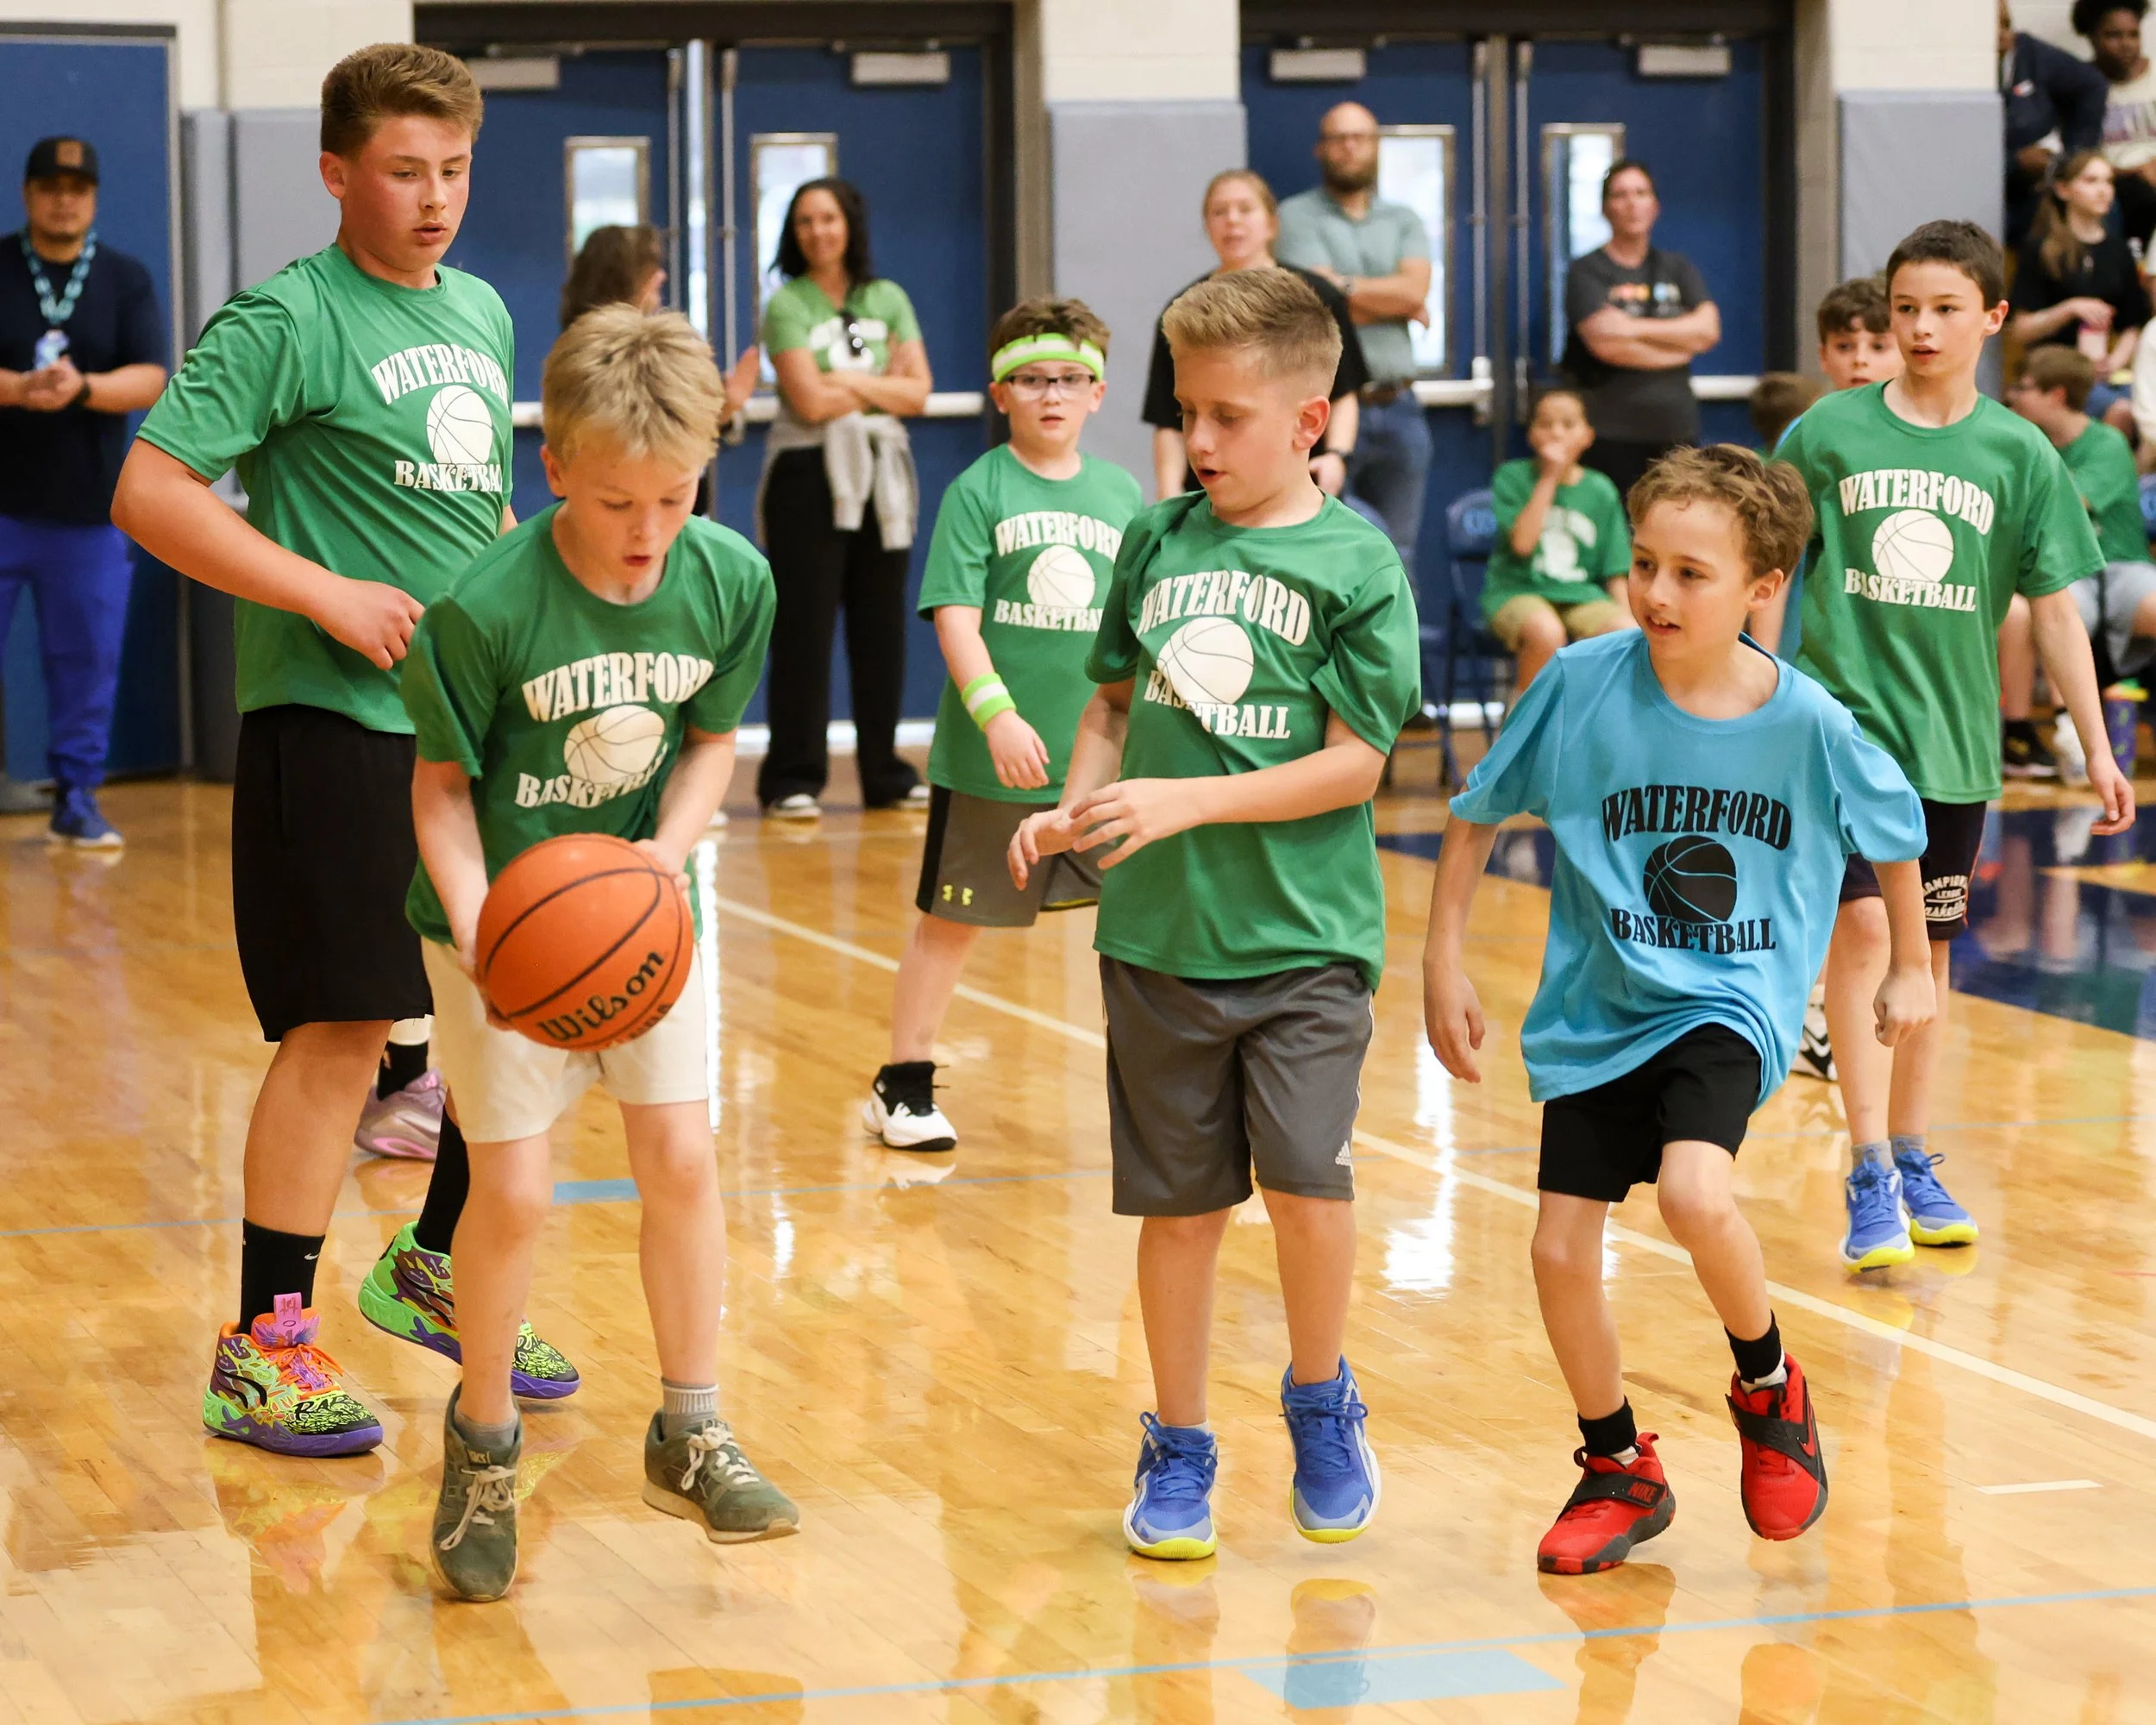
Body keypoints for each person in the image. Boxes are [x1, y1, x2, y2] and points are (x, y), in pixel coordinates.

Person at [111, 44, 579, 1455]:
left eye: (454, 170)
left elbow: (463, 523)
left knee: (523, 1008)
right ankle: (263, 1343)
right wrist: (317, 590)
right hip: (332, 728)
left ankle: (432, 1262)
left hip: (463, 732)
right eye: (403, 171)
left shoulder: (484, 309)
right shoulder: (287, 319)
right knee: (346, 1030)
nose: (434, 199)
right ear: (335, 172)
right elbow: (147, 489)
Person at [1424, 443, 1934, 1574]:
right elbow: (1476, 811)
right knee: (1559, 1250)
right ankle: (1618, 1465)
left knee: (1698, 1191)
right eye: (1646, 564)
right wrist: (1442, 961)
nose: (1656, 592)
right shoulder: (1581, 679)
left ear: (1765, 589)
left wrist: (1910, 961)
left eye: (1690, 574)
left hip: (1729, 1000)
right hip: (1599, 1000)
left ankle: (1770, 1389)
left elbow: (1897, 831)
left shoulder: (1805, 722)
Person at [1007, 268, 1420, 1559]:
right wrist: (1078, 810)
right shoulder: (1156, 538)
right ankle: (1179, 1440)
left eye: (1230, 416)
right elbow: (1112, 709)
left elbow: (1360, 763)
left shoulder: (1357, 563)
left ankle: (1318, 1396)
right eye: (1189, 410)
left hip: (1306, 940)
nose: (1199, 440)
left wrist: (1185, 804)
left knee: (1305, 1184)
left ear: (1309, 421)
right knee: (1179, 1210)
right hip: (1161, 942)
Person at [404, 305, 793, 1600]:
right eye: (618, 499)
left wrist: (661, 863)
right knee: (509, 1195)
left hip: (637, 916)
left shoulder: (730, 578)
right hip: (497, 927)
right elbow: (444, 793)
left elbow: (708, 744)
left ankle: (691, 1426)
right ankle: (484, 1437)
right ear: (554, 465)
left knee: (681, 1157)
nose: (646, 534)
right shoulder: (481, 606)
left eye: (674, 498)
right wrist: (480, 934)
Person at [1774, 220, 2135, 1272]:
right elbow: (1766, 562)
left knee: (1926, 957)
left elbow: (2058, 611)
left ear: (1992, 318)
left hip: (1954, 744)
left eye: (1943, 309)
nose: (1921, 327)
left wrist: (2094, 741)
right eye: (1904, 309)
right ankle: (1867, 1167)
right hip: (1844, 734)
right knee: (1859, 940)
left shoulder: (2017, 451)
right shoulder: (1827, 433)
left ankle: (1913, 1150)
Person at [864, 298, 1140, 1152]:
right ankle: (902, 1083)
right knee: (952, 921)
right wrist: (997, 715)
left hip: (1102, 760)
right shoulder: (978, 491)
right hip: (996, 758)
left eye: (1068, 378)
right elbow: (954, 615)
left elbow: (1133, 625)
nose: (1051, 393)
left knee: (1136, 922)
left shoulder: (1123, 492)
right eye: (1031, 379)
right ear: (999, 393)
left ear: (1097, 392)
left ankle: (1154, 1087)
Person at [0, 135, 168, 847]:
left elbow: (154, 377)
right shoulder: (0, 266)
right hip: (3, 506)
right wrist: (16, 389)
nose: (63, 198)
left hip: (90, 514)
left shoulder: (124, 278)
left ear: (93, 198)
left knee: (86, 663)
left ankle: (76, 800)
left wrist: (82, 389)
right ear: (29, 193)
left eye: (76, 186)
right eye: (49, 185)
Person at [754, 176, 931, 819]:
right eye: (804, 221)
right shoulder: (788, 304)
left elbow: (921, 390)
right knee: (804, 629)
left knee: (881, 627)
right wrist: (879, 383)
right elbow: (807, 401)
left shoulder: (887, 297)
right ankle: (793, 777)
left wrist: (845, 382)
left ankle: (884, 771)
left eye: (827, 218)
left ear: (850, 223)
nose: (817, 232)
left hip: (883, 472)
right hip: (808, 475)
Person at [1274, 102, 1435, 568]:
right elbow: (1314, 304)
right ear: (1320, 148)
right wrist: (1396, 304)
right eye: (1338, 138)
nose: (1349, 147)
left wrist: (1342, 286)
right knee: (1323, 547)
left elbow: (1416, 289)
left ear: (1376, 146)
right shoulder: (1295, 217)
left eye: (1359, 137)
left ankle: (1395, 645)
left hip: (1400, 405)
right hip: (1328, 408)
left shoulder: (1403, 219)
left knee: (1400, 553)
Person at [1144, 169, 1365, 503]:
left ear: (1271, 224)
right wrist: (1168, 490)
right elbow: (1167, 418)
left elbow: (1343, 391)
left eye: (1245, 209)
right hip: (1213, 491)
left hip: (1303, 481)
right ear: (1207, 227)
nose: (1232, 221)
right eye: (1219, 212)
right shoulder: (1183, 311)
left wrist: (1337, 455)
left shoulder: (1316, 297)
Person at [1561, 160, 1720, 499]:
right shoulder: (1587, 271)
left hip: (1676, 430)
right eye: (1620, 195)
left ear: (1655, 206)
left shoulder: (1677, 267)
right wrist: (1679, 343)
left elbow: (1708, 330)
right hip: (1609, 434)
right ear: (1606, 208)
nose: (1632, 203)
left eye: (1640, 193)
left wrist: (1631, 327)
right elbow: (1605, 343)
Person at [2007, 346, 2156, 691]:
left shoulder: (2107, 443)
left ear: (2056, 394)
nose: (2013, 396)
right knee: (2058, 610)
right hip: (2060, 570)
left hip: (2120, 567)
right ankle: (2066, 727)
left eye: (2024, 387)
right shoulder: (2024, 444)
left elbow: (2066, 504)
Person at [1481, 386, 1634, 693]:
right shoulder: (1511, 477)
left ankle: (1592, 726)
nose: (1556, 433)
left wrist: (1632, 623)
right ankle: (1527, 727)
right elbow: (1523, 545)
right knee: (1546, 630)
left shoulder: (1600, 490)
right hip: (1517, 591)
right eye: (1545, 424)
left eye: (1568, 424)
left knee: (1625, 632)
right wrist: (1549, 477)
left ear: (1587, 435)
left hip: (1580, 595)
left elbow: (1616, 569)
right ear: (1531, 434)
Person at [2008, 149, 2147, 430]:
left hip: (2102, 371)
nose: (2103, 191)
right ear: (2063, 189)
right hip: (2052, 371)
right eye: (2091, 181)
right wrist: (2070, 309)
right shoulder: (2041, 249)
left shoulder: (2117, 251)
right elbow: (2020, 329)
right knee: (2118, 409)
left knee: (2142, 404)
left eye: (2108, 182)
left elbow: (2133, 323)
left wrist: (2113, 362)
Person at [2002, 0, 2109, 246]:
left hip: (2039, 185)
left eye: (2007, 24)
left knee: (2095, 206)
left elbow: (2093, 85)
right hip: (1992, 185)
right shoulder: (1961, 69)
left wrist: (2072, 160)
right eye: (1995, 26)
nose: (2004, 34)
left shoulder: (2028, 53)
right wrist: (2014, 161)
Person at [2074, 0, 2156, 248]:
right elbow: (2078, 156)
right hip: (2111, 184)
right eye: (2114, 35)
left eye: (2133, 34)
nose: (2127, 44)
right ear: (2092, 37)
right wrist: (2132, 171)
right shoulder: (2079, 85)